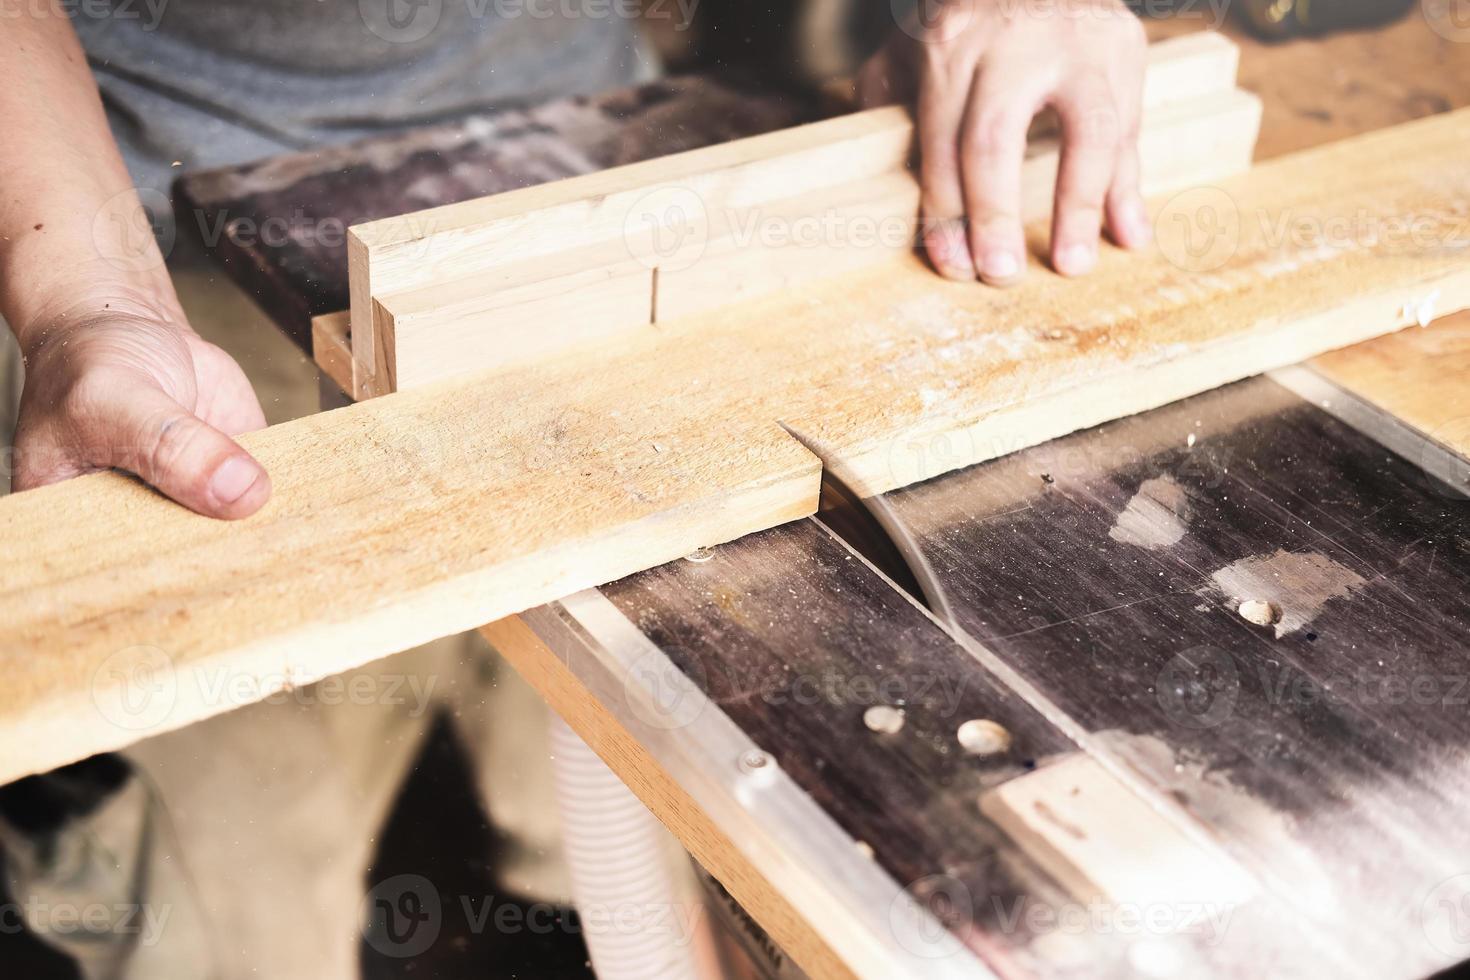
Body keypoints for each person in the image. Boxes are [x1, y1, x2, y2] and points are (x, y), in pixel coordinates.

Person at [0, 1, 1150, 976]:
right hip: (140, 238)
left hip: (587, 174)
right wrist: (88, 300)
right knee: (232, 906)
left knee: (674, 818)